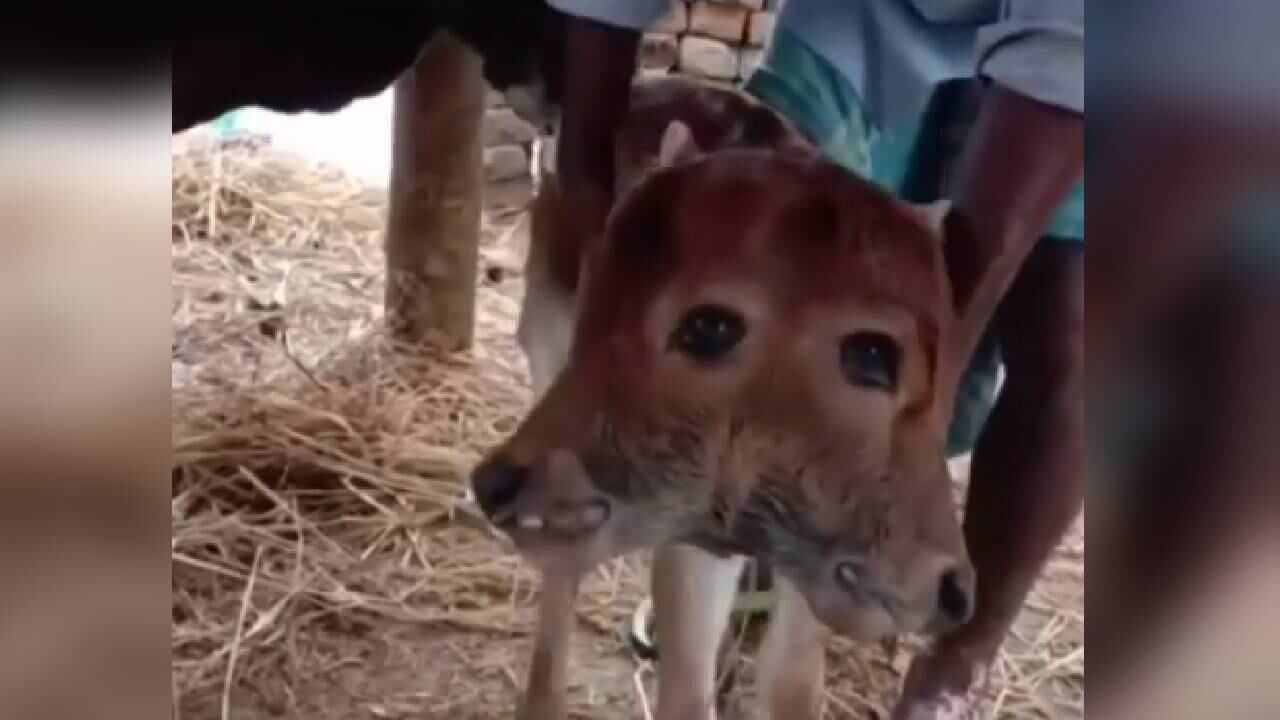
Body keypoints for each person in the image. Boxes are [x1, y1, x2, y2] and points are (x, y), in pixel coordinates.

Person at [546, 2, 1083, 718]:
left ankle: (953, 669)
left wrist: (932, 365)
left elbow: (1072, 55)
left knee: (1067, 328)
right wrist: (584, 174)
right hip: (867, 17)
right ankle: (724, 642)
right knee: (769, 253)